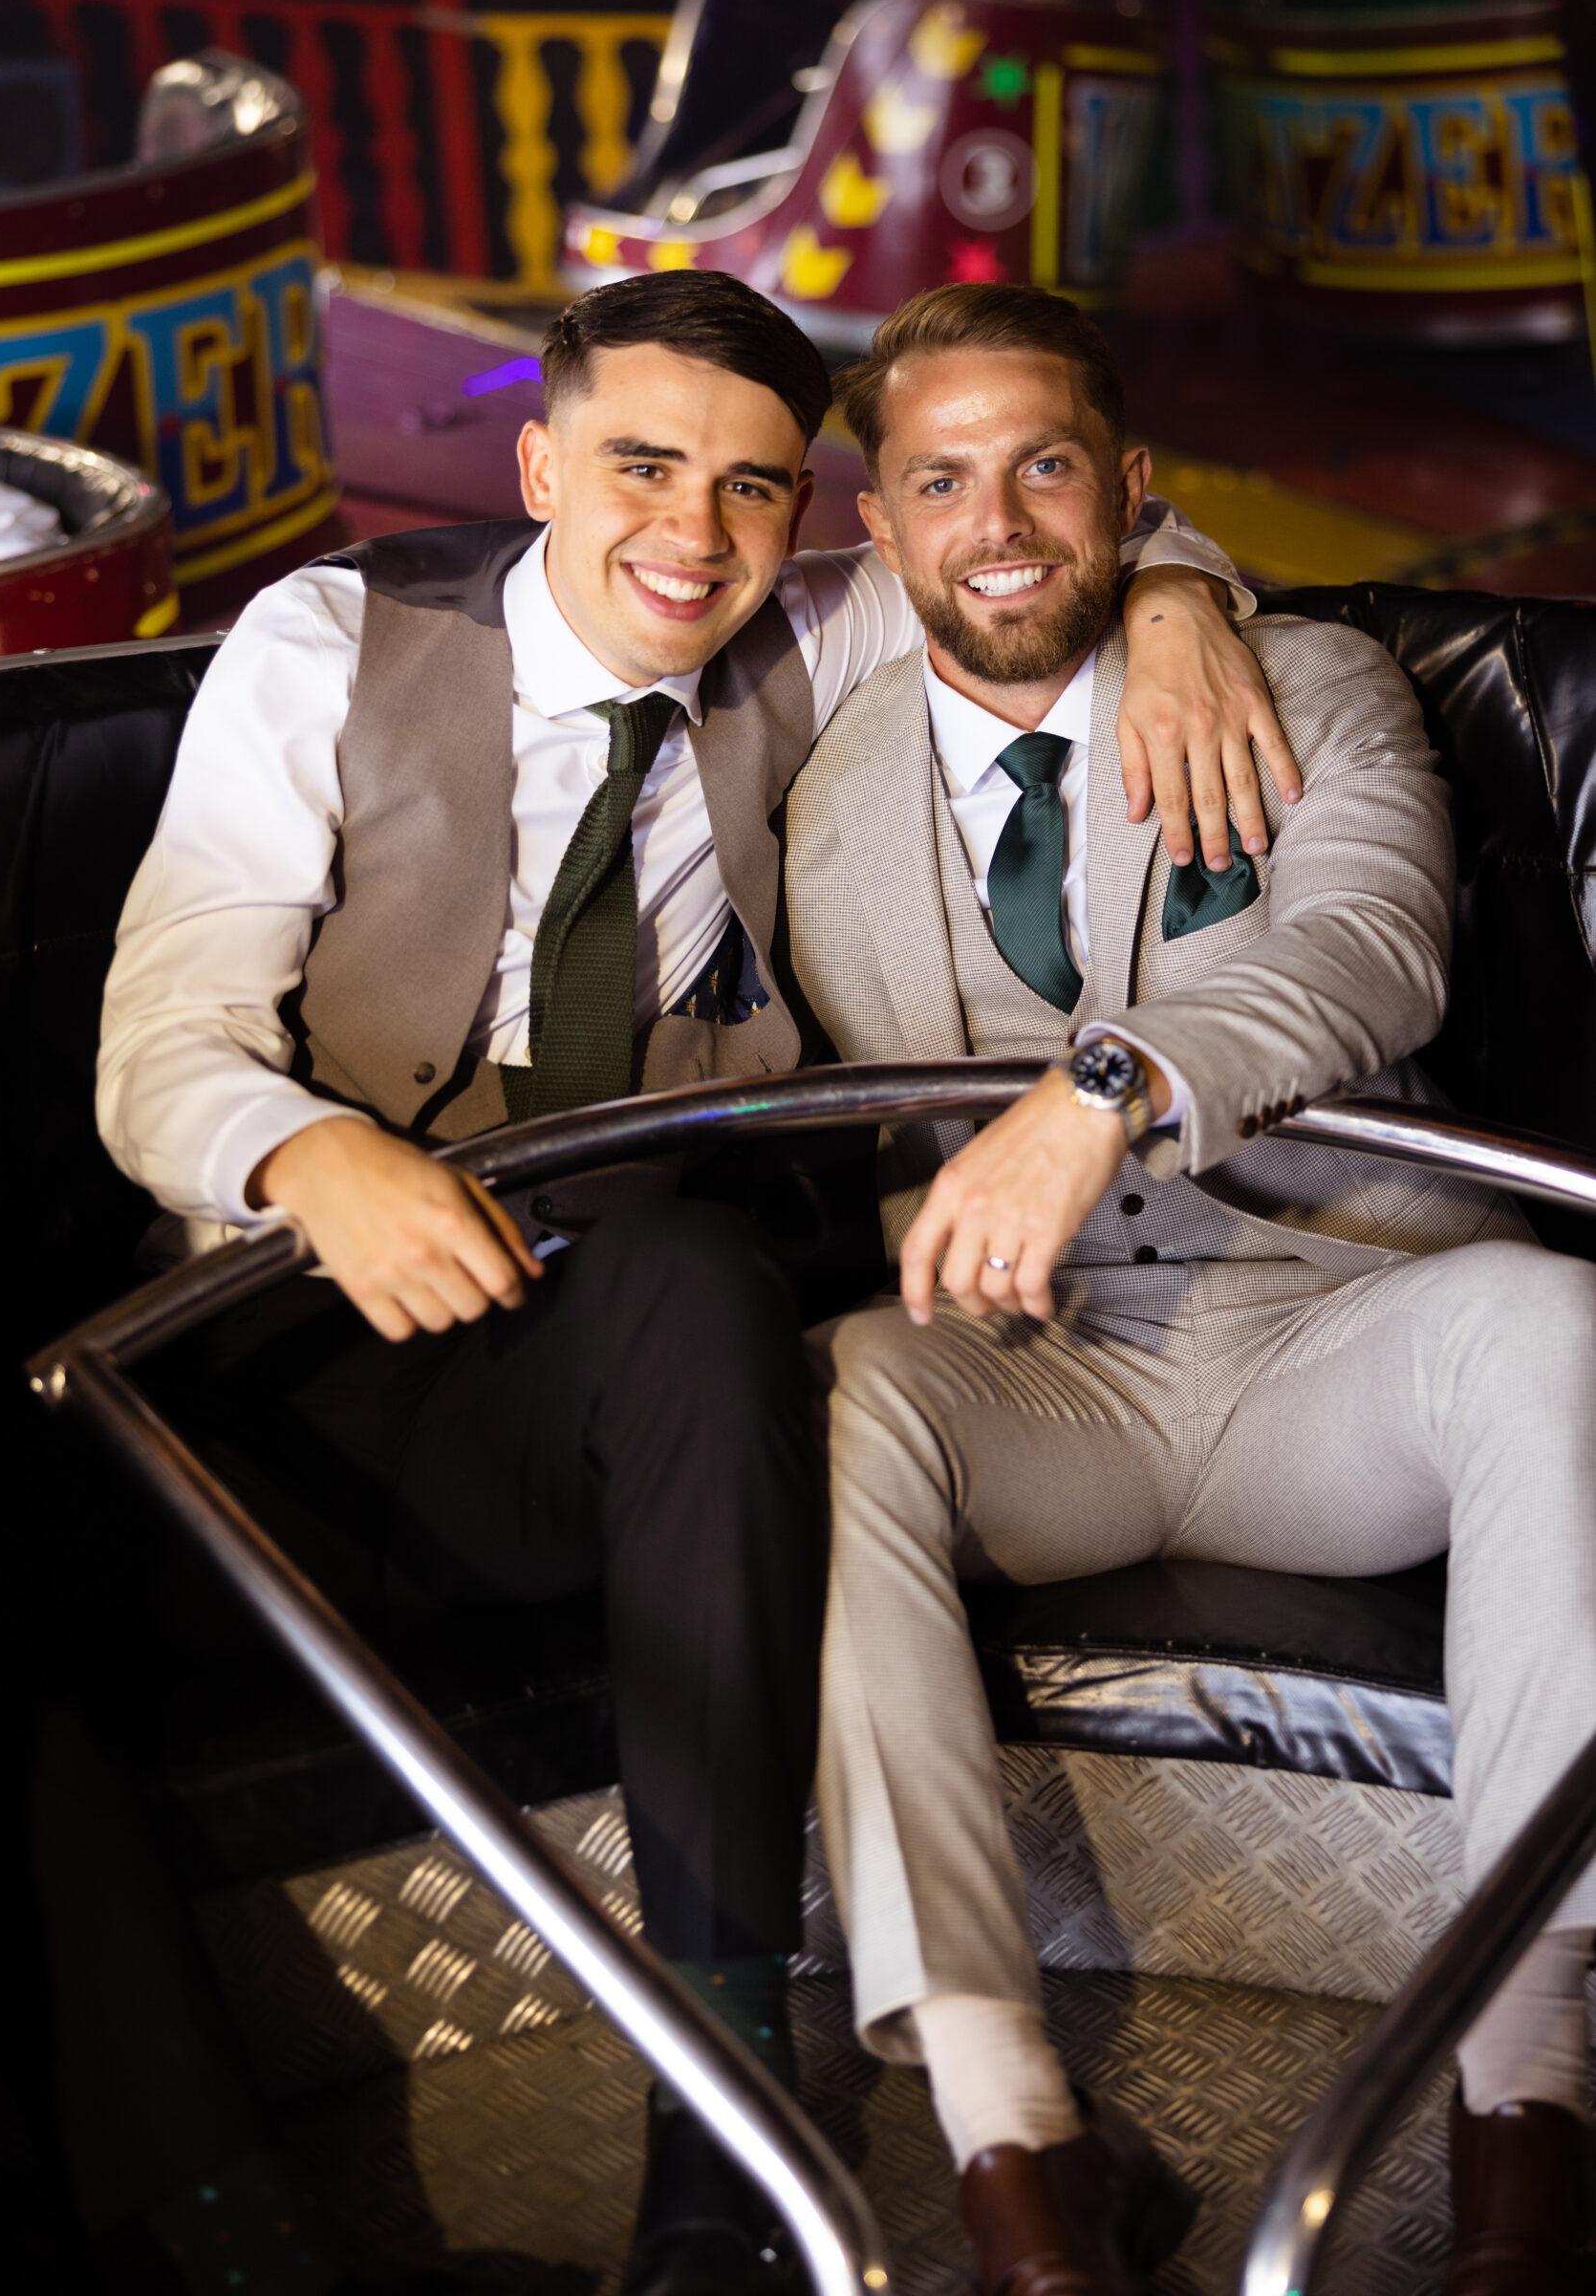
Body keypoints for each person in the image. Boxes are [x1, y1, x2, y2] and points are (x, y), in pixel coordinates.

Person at [97, 268, 1280, 2295]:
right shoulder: (331, 639)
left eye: (751, 487)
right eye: (642, 467)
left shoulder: (810, 629)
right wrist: (308, 1151)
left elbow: (1045, 545)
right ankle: (221, 2233)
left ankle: (726, 2121)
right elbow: (160, 1036)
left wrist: (1175, 599)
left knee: (692, 1275)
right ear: (538, 464)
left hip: (597, 1361)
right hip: (297, 1351)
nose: (695, 533)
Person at [785, 281, 1596, 2296]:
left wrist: (1104, 1088)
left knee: (1554, 1327)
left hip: (1330, 1329)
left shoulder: (1305, 676)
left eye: (1045, 468)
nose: (995, 523)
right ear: (875, 526)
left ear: (1132, 488)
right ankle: (1013, 2150)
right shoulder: (822, 776)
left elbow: (1371, 948)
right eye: (940, 482)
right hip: (1046, 1374)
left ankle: (1527, 2103)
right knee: (832, 1391)